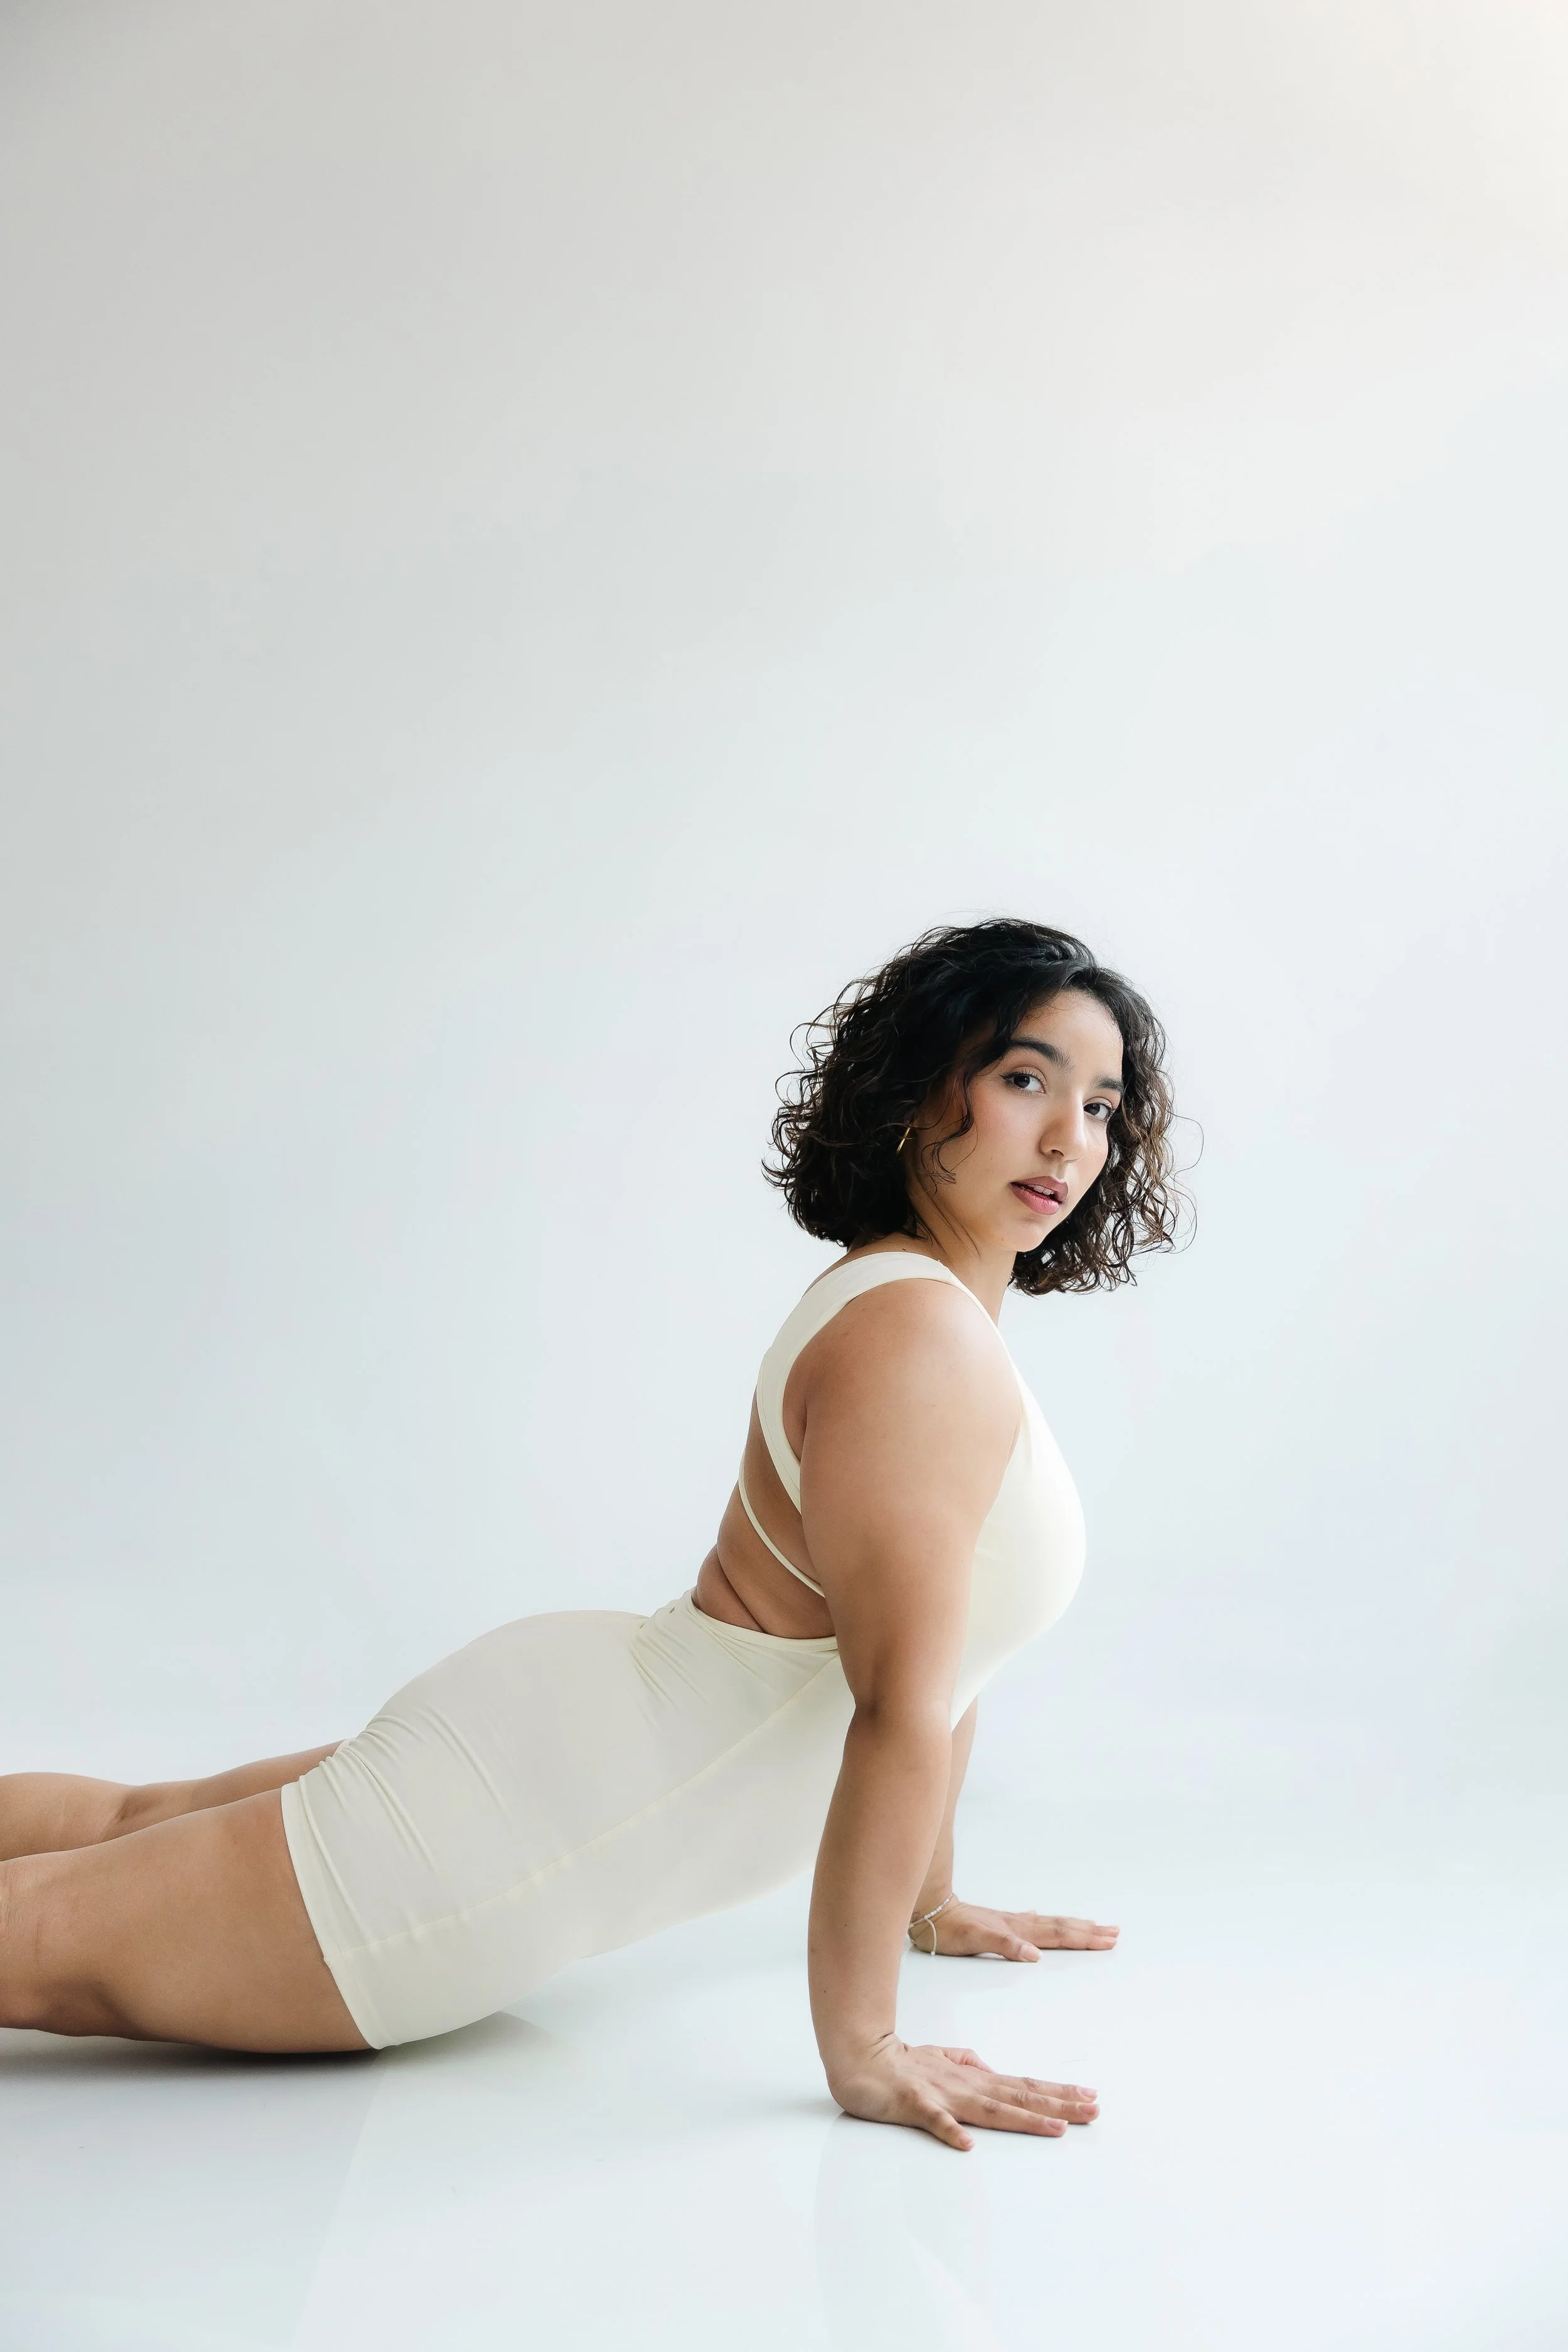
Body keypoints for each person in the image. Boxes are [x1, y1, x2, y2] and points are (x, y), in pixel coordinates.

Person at [0, 918, 1182, 2151]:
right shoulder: (919, 1345)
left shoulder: (927, 1322)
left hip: (555, 1760)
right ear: (914, 1090)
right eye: (1024, 1079)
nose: (1068, 1140)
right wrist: (866, 2048)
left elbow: (950, 1664)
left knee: (118, 1830)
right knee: (34, 1947)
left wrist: (927, 1903)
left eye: (1100, 1106)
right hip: (520, 1832)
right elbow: (893, 1708)